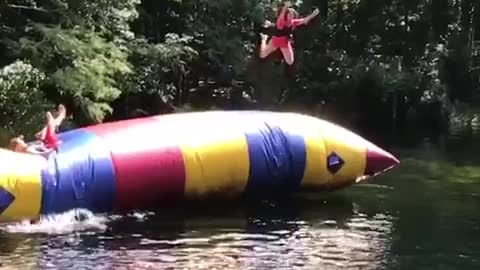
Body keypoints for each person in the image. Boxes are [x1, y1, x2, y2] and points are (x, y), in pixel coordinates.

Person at [258, 3, 320, 68]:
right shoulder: (281, 22)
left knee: (290, 62)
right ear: (286, 16)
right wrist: (285, 7)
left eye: (292, 15)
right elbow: (281, 16)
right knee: (262, 55)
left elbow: (305, 20)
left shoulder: (293, 22)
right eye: (289, 14)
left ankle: (278, 55)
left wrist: (314, 14)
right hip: (275, 42)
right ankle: (264, 39)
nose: (291, 16)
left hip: (285, 44)